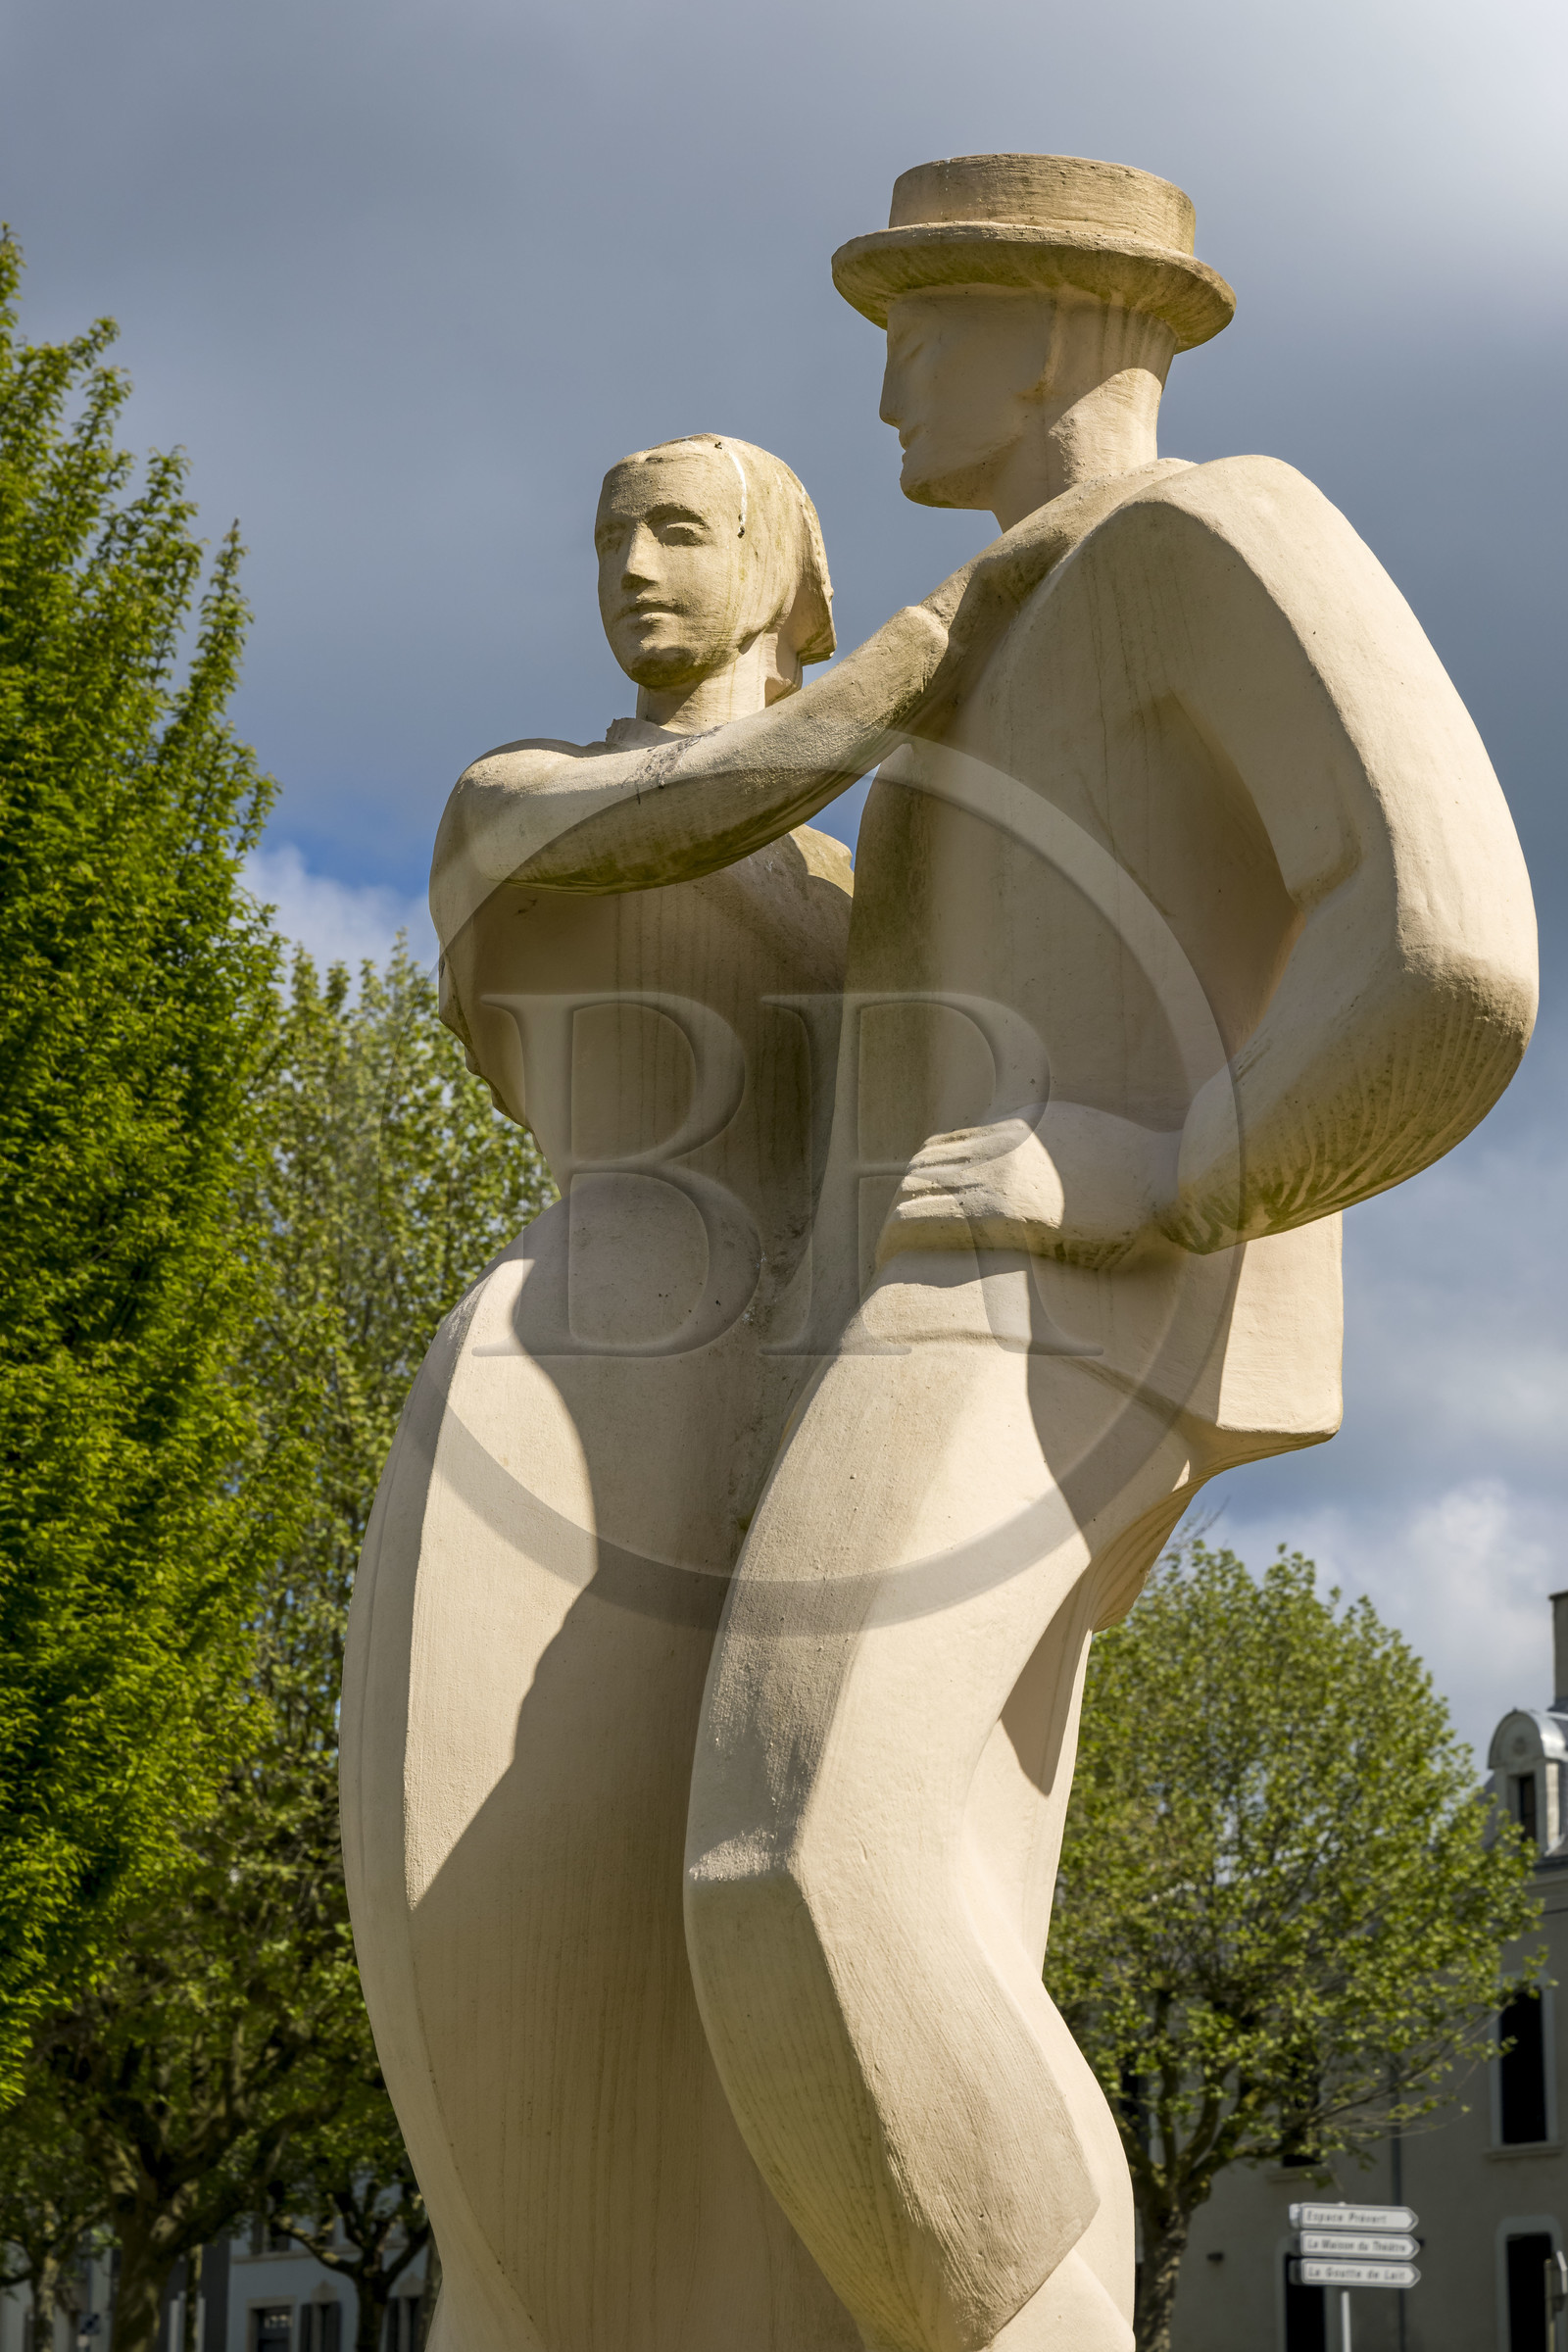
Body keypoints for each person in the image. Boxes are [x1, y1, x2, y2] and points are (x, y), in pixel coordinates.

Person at [414, 161, 1537, 2351]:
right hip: (901, 1303)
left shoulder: (1204, 536)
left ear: (1043, 332)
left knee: (799, 1868)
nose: (878, 384)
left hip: (1048, 1283)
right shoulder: (1007, 633)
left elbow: (1448, 954)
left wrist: (1142, 1175)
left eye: (912, 327)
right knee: (841, 1885)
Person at [342, 431, 1068, 2352]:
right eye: (607, 534)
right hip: (577, 1378)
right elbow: (696, 812)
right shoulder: (513, 797)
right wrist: (927, 655)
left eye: (678, 531)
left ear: (771, 567)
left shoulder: (863, 908)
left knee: (800, 1912)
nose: (631, 568)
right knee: (507, 1929)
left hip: (818, 1409)